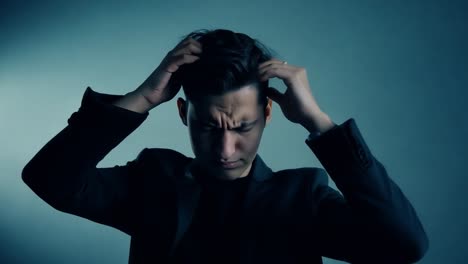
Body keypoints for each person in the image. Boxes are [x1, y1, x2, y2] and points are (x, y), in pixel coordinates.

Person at [22, 28, 428, 264]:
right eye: (208, 128)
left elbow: (403, 245)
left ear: (267, 115)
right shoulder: (151, 181)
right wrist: (142, 97)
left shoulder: (302, 198)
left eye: (243, 127)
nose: (225, 149)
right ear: (183, 113)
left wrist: (318, 123)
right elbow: (49, 179)